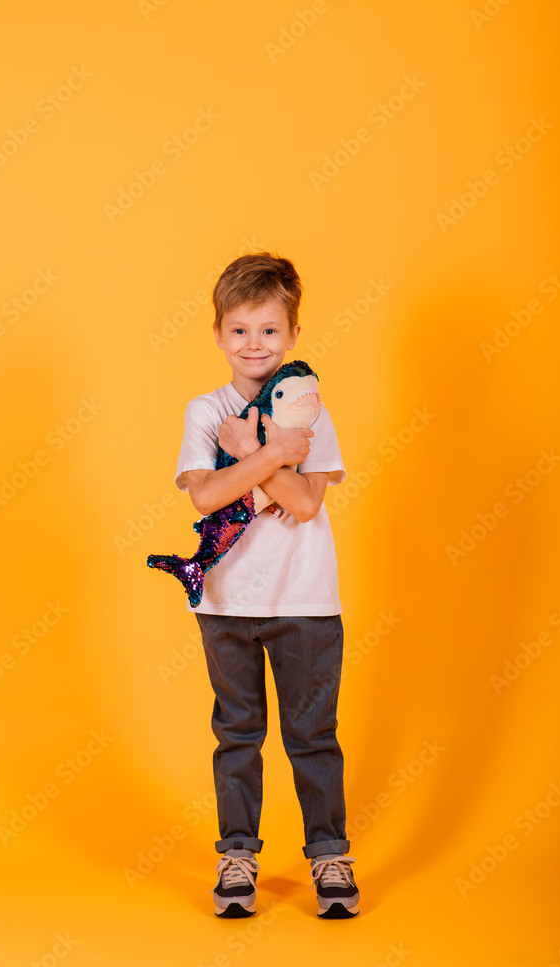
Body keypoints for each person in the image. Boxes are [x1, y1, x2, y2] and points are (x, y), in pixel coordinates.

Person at [173, 251, 359, 919]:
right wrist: (277, 455)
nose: (255, 344)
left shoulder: (310, 409)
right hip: (226, 603)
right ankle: (237, 857)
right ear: (219, 333)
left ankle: (329, 855)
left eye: (270, 330)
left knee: (313, 734)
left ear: (293, 333)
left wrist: (258, 452)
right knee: (237, 733)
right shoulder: (206, 411)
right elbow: (206, 496)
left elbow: (305, 504)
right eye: (240, 330)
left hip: (305, 600)